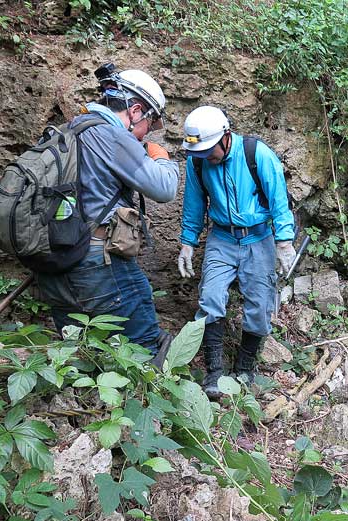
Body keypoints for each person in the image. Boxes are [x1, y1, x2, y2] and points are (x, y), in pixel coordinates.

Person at [36, 67, 179, 358]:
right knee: (144, 346)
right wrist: (162, 158)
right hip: (97, 261)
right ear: (136, 110)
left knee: (81, 351)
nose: (148, 132)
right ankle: (144, 400)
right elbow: (164, 189)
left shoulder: (67, 131)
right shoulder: (110, 136)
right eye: (150, 124)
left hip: (52, 259)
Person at [177, 106, 296, 399]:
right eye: (200, 152)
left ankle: (244, 368)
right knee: (210, 298)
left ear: (226, 136)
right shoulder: (198, 162)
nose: (205, 157)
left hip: (259, 238)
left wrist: (284, 242)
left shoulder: (257, 155)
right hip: (221, 238)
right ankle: (214, 373)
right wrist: (187, 243)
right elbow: (193, 205)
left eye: (209, 150)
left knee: (259, 305)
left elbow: (279, 199)